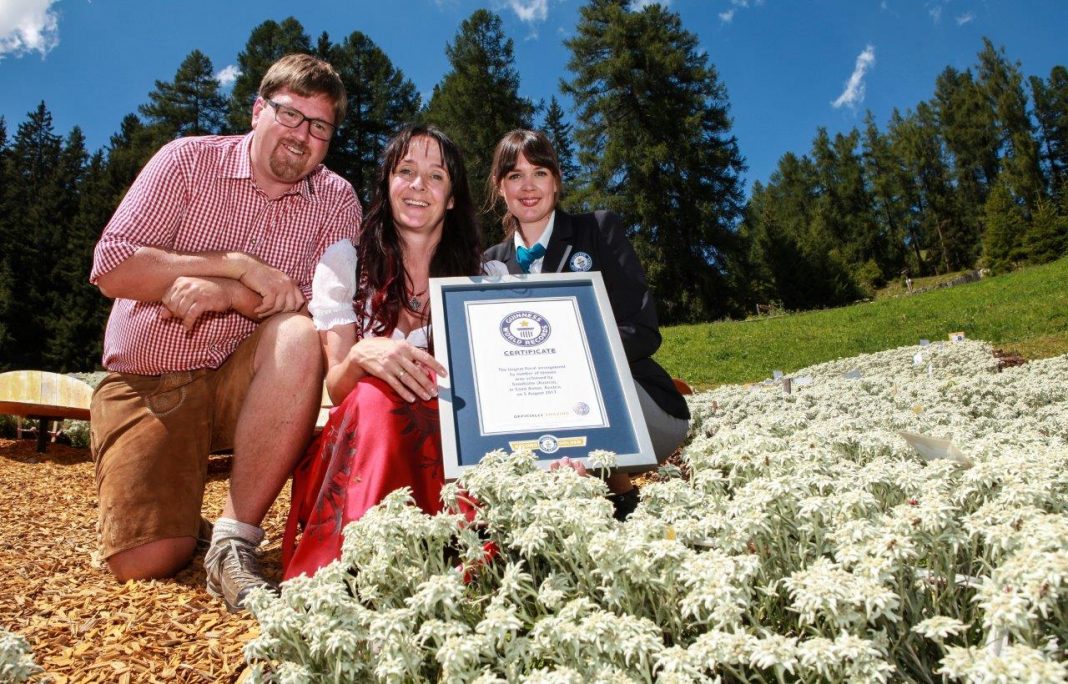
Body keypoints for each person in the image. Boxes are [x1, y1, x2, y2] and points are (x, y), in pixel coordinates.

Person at [89, 54, 361, 612]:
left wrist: (227, 297)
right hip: (149, 379)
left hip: (249, 380)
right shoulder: (187, 161)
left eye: (319, 126)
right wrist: (235, 267)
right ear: (259, 109)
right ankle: (183, 520)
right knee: (145, 561)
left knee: (296, 334)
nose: (301, 135)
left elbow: (325, 304)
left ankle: (234, 540)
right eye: (289, 115)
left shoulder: (337, 199)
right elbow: (113, 267)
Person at [282, 124, 488, 580]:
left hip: (450, 446)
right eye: (406, 171)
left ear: (452, 198)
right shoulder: (346, 262)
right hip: (365, 446)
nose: (419, 186)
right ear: (387, 183)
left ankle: (457, 563)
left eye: (436, 177)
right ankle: (359, 563)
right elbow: (337, 391)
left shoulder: (483, 275)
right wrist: (359, 357)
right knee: (374, 399)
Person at [483, 129, 691, 519]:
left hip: (639, 411)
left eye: (540, 173)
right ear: (500, 187)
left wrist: (566, 361)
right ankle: (614, 503)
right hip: (538, 423)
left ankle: (607, 494)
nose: (528, 186)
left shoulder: (598, 230)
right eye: (515, 176)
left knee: (556, 387)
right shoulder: (489, 264)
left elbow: (642, 330)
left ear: (557, 181)